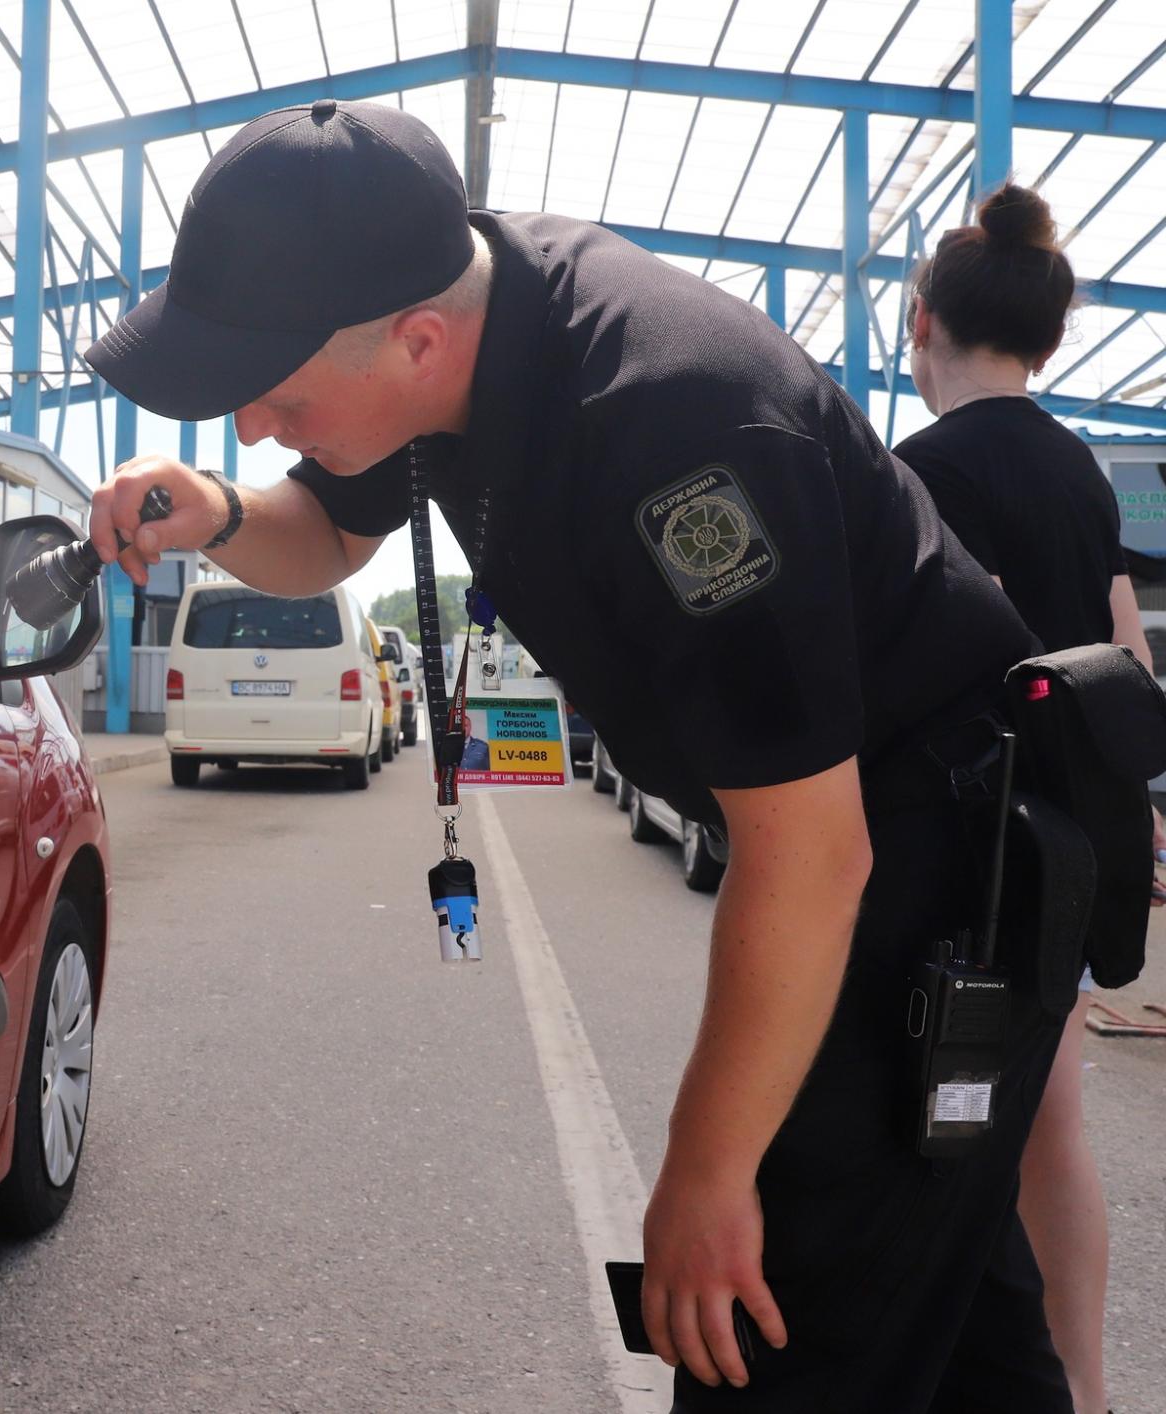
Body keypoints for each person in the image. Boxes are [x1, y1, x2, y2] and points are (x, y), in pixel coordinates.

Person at [82, 100, 1075, 1410]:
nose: (256, 423)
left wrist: (708, 1177)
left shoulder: (676, 432)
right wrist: (213, 512)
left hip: (937, 861)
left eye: (275, 392)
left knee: (766, 1329)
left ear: (416, 341)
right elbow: (323, 532)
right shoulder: (456, 316)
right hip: (882, 842)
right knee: (958, 1339)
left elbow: (814, 849)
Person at [894, 183, 1159, 1414]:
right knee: (1049, 1129)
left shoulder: (914, 471)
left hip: (959, 850)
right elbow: (1123, 658)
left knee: (938, 1129)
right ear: (1044, 337)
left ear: (918, 324)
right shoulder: (1081, 476)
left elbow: (929, 667)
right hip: (1064, 848)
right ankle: (1087, 1391)